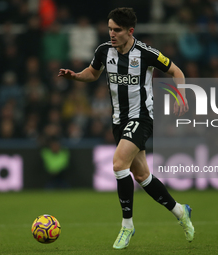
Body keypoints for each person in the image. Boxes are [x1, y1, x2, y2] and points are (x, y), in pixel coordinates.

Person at [58, 7, 194, 249]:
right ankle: (180, 211)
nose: (112, 33)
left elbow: (176, 71)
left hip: (141, 118)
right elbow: (92, 73)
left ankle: (127, 226)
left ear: (130, 31)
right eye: (110, 29)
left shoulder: (145, 52)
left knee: (119, 164)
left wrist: (180, 95)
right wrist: (76, 76)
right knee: (142, 176)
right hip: (119, 121)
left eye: (117, 30)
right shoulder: (103, 51)